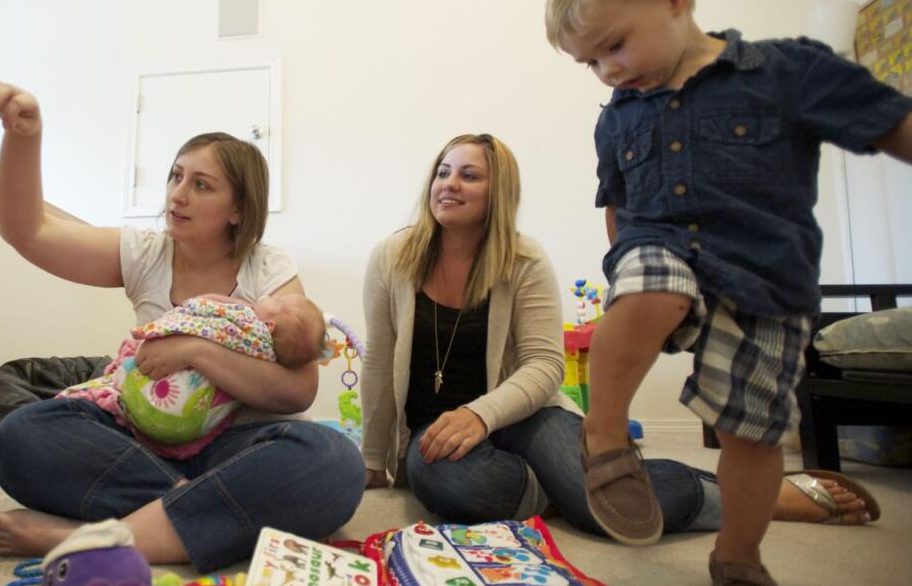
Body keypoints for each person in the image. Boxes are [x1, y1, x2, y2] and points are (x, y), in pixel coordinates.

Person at [545, 0, 912, 586]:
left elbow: (889, 120)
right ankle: (607, 437)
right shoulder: (617, 116)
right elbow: (618, 206)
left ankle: (739, 557)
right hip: (659, 252)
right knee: (649, 280)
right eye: (590, 63)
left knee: (753, 435)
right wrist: (622, 272)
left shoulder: (787, 71)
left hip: (764, 279)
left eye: (614, 45)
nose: (609, 71)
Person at [359, 134, 879, 553]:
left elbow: (544, 367)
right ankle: (568, 487)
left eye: (469, 174)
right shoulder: (393, 256)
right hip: (437, 434)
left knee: (601, 507)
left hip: (523, 417)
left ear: (499, 192)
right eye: (443, 172)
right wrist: (374, 458)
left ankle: (762, 498)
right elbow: (379, 363)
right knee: (449, 483)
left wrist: (480, 415)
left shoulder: (525, 260)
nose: (449, 184)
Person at [0, 77, 364, 574]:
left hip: (234, 446)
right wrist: (24, 135)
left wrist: (196, 352)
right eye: (176, 176)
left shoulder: (269, 269)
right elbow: (28, 232)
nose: (178, 195)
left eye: (201, 185)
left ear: (238, 209)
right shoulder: (145, 252)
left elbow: (298, 392)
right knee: (21, 436)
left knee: (333, 461)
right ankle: (197, 515)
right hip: (139, 441)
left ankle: (96, 537)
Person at [61, 292, 329, 459]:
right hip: (188, 428)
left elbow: (208, 305)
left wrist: (194, 350)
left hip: (225, 433)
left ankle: (158, 497)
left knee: (330, 453)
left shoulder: (247, 325)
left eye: (278, 300)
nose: (272, 295)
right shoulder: (268, 346)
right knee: (30, 426)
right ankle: (184, 499)